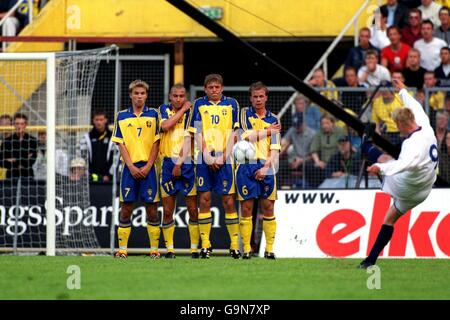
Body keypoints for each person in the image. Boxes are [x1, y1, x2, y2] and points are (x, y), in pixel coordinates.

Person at [358, 78, 438, 269]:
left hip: (406, 187)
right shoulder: (425, 125)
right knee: (390, 218)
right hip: (425, 188)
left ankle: (367, 147)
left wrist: (380, 168)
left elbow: (404, 164)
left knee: (383, 159)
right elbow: (415, 105)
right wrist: (402, 90)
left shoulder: (412, 145)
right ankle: (369, 261)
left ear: (402, 125)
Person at [187, 74, 241, 259]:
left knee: (228, 201)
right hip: (204, 158)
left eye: (217, 87)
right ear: (205, 89)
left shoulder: (232, 104)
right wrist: (207, 156)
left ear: (222, 88)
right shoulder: (199, 105)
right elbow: (197, 132)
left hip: (225, 158)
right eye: (211, 87)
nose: (214, 90)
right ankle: (206, 245)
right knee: (204, 200)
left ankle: (234, 246)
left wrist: (224, 156)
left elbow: (235, 133)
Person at [112, 80, 161, 259]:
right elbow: (120, 143)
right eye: (136, 93)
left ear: (146, 95)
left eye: (142, 93)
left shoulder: (154, 115)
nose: (139, 96)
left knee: (152, 209)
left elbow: (157, 142)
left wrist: (148, 166)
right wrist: (131, 166)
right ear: (131, 95)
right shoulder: (122, 116)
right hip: (129, 169)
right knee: (126, 208)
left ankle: (154, 250)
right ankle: (123, 250)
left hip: (149, 168)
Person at [236, 82, 281, 260]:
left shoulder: (274, 119)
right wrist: (267, 131)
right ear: (250, 98)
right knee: (246, 208)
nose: (258, 99)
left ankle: (269, 249)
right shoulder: (244, 114)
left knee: (268, 207)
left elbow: (275, 149)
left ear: (266, 97)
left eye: (261, 96)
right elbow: (246, 137)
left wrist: (266, 168)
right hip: (246, 165)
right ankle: (247, 248)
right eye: (255, 96)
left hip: (267, 166)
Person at [158, 84, 199, 259]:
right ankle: (170, 249)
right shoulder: (162, 110)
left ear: (186, 96)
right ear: (169, 96)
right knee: (168, 210)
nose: (178, 99)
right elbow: (166, 126)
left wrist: (180, 163)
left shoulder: (193, 112)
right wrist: (182, 110)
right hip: (167, 163)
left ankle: (194, 249)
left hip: (187, 162)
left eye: (182, 96)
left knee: (192, 208)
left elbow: (190, 138)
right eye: (175, 96)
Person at [0, 113, 37, 179]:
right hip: (11, 177)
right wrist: (24, 157)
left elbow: (32, 161)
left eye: (22, 124)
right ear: (14, 125)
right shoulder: (6, 141)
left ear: (26, 125)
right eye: (17, 123)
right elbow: (1, 162)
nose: (19, 126)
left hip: (28, 176)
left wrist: (13, 159)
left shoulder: (32, 140)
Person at [80, 110, 114, 183]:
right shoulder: (86, 137)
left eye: (101, 120)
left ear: (105, 120)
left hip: (108, 179)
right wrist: (89, 173)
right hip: (90, 177)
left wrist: (109, 175)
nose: (99, 122)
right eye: (97, 120)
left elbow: (115, 158)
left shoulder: (113, 137)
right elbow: (83, 157)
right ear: (93, 121)